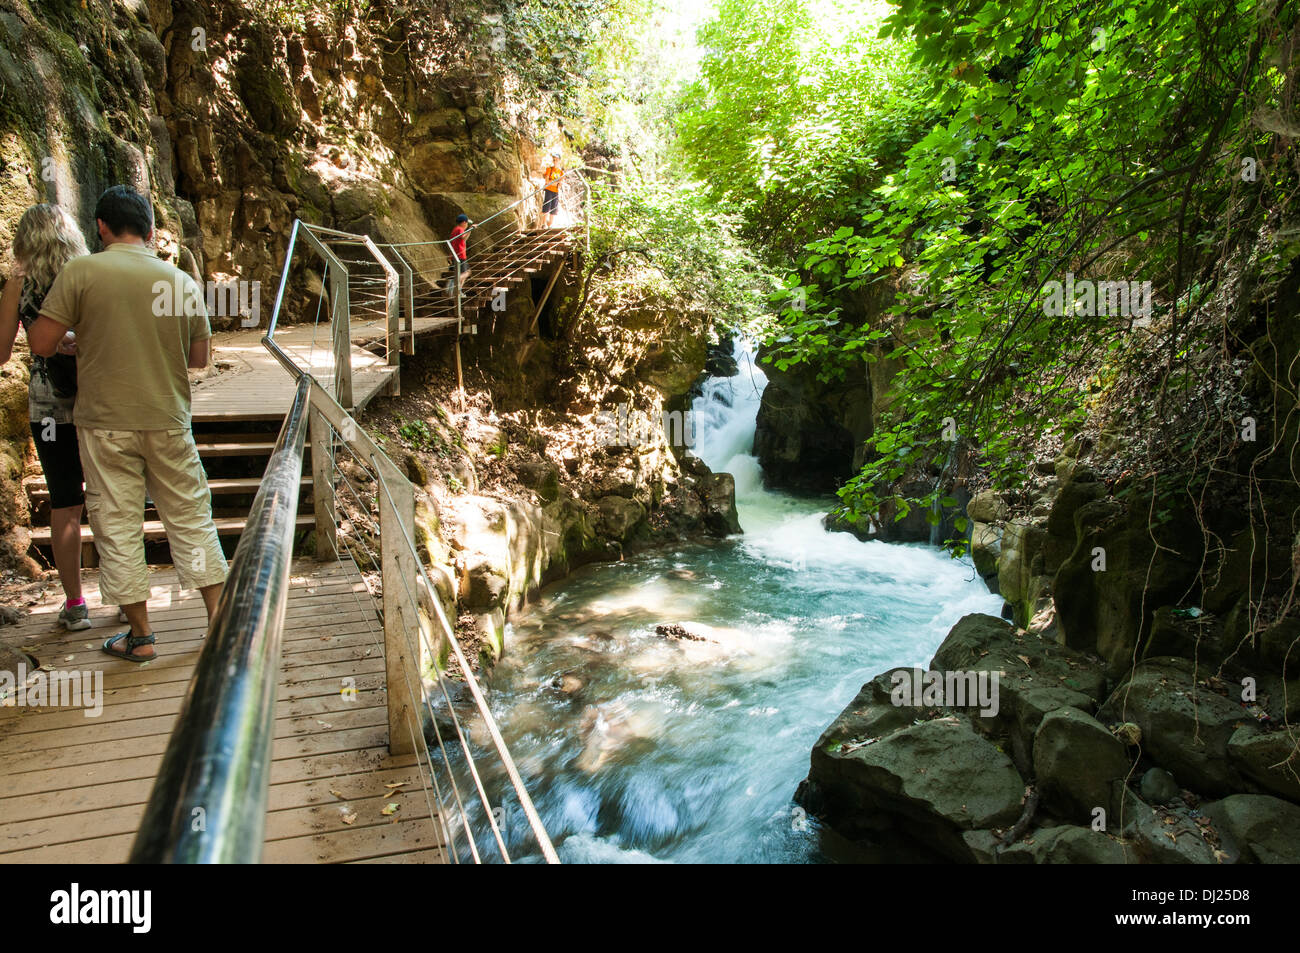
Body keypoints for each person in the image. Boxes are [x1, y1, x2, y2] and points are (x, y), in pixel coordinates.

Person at [28, 185, 228, 662]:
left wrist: (81, 339)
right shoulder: (178, 280)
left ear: (100, 227)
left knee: (117, 524)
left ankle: (140, 638)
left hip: (104, 424)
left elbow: (39, 342)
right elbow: (199, 358)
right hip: (167, 416)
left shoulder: (81, 272)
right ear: (151, 231)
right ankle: (218, 626)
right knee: (190, 518)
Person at [0, 204, 92, 630]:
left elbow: (2, 352)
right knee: (112, 495)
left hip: (49, 406)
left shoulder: (18, 284)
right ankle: (129, 595)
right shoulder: (88, 272)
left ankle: (75, 604)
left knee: (65, 502)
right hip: (98, 397)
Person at [540, 150, 565, 228]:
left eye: (556, 159)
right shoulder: (549, 169)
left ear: (559, 160)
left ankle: (550, 224)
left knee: (554, 208)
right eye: (553, 159)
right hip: (548, 190)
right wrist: (556, 183)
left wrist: (554, 183)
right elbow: (547, 181)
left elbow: (560, 184)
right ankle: (544, 224)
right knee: (546, 206)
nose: (555, 161)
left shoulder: (561, 172)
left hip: (556, 192)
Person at [449, 213, 471, 288]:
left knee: (464, 273)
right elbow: (463, 238)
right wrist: (470, 230)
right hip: (460, 255)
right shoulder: (459, 229)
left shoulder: (455, 229)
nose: (467, 225)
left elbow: (463, 239)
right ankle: (453, 282)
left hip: (456, 254)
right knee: (466, 273)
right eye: (467, 223)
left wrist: (469, 231)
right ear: (464, 222)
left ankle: (459, 290)